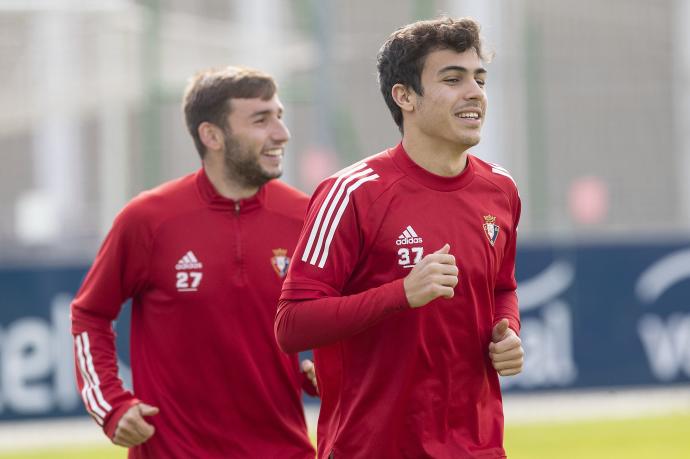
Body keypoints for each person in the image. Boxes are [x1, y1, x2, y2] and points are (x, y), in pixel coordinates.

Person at [275, 17, 523, 458]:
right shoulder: (352, 193)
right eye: (453, 78)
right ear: (404, 96)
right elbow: (292, 325)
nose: (475, 93)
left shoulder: (500, 189)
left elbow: (502, 285)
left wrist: (508, 334)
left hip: (479, 447)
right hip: (372, 447)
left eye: (479, 78)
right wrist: (401, 294)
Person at [71, 66, 317, 458]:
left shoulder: (307, 217)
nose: (281, 133)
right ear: (212, 135)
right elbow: (90, 315)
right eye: (261, 120)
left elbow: (343, 318)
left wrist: (332, 367)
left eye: (279, 117)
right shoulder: (148, 219)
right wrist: (112, 406)